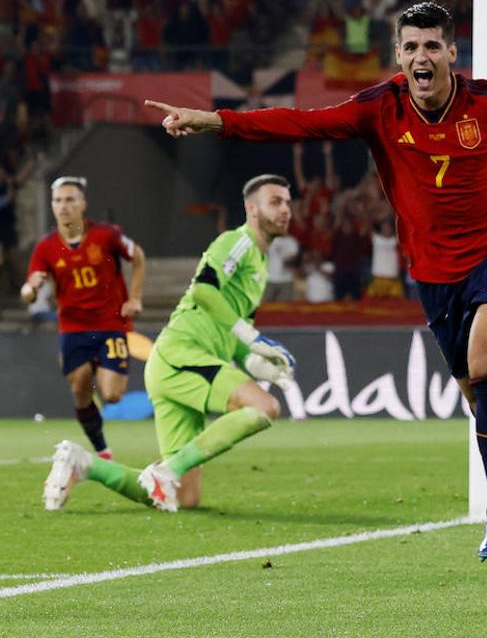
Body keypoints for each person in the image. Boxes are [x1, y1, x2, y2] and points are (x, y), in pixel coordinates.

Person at [146, 2, 487, 560]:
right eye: (411, 47)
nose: (421, 57)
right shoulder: (379, 108)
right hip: (433, 271)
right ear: (399, 56)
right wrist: (216, 120)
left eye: (432, 46)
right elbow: (299, 122)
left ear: (451, 52)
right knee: (482, 402)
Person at [42, 174, 297, 512]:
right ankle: (167, 470)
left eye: (288, 203)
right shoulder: (239, 242)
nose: (285, 210)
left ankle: (84, 463)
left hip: (178, 366)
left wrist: (257, 362)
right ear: (252, 208)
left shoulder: (260, 265)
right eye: (275, 201)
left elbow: (234, 335)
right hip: (184, 353)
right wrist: (252, 337)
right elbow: (204, 290)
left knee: (183, 497)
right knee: (265, 407)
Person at [21, 176, 146, 461]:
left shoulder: (106, 235)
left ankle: (99, 368)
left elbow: (137, 256)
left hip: (110, 324)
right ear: (52, 206)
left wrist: (135, 297)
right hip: (73, 329)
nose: (63, 206)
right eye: (58, 201)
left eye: (69, 200)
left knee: (112, 395)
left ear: (82, 204)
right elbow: (27, 292)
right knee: (80, 392)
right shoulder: (46, 247)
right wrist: (32, 288)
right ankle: (102, 450)